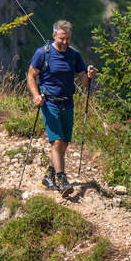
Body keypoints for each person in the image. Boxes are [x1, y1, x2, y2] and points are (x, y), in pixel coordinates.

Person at [26, 19, 97, 196]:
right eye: (62, 39)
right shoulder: (43, 53)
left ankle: (48, 176)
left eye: (68, 39)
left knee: (64, 143)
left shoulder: (74, 54)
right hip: (49, 102)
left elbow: (83, 80)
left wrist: (89, 75)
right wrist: (36, 95)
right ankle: (61, 179)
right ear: (54, 36)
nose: (65, 42)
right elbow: (31, 75)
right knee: (56, 141)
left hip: (68, 102)